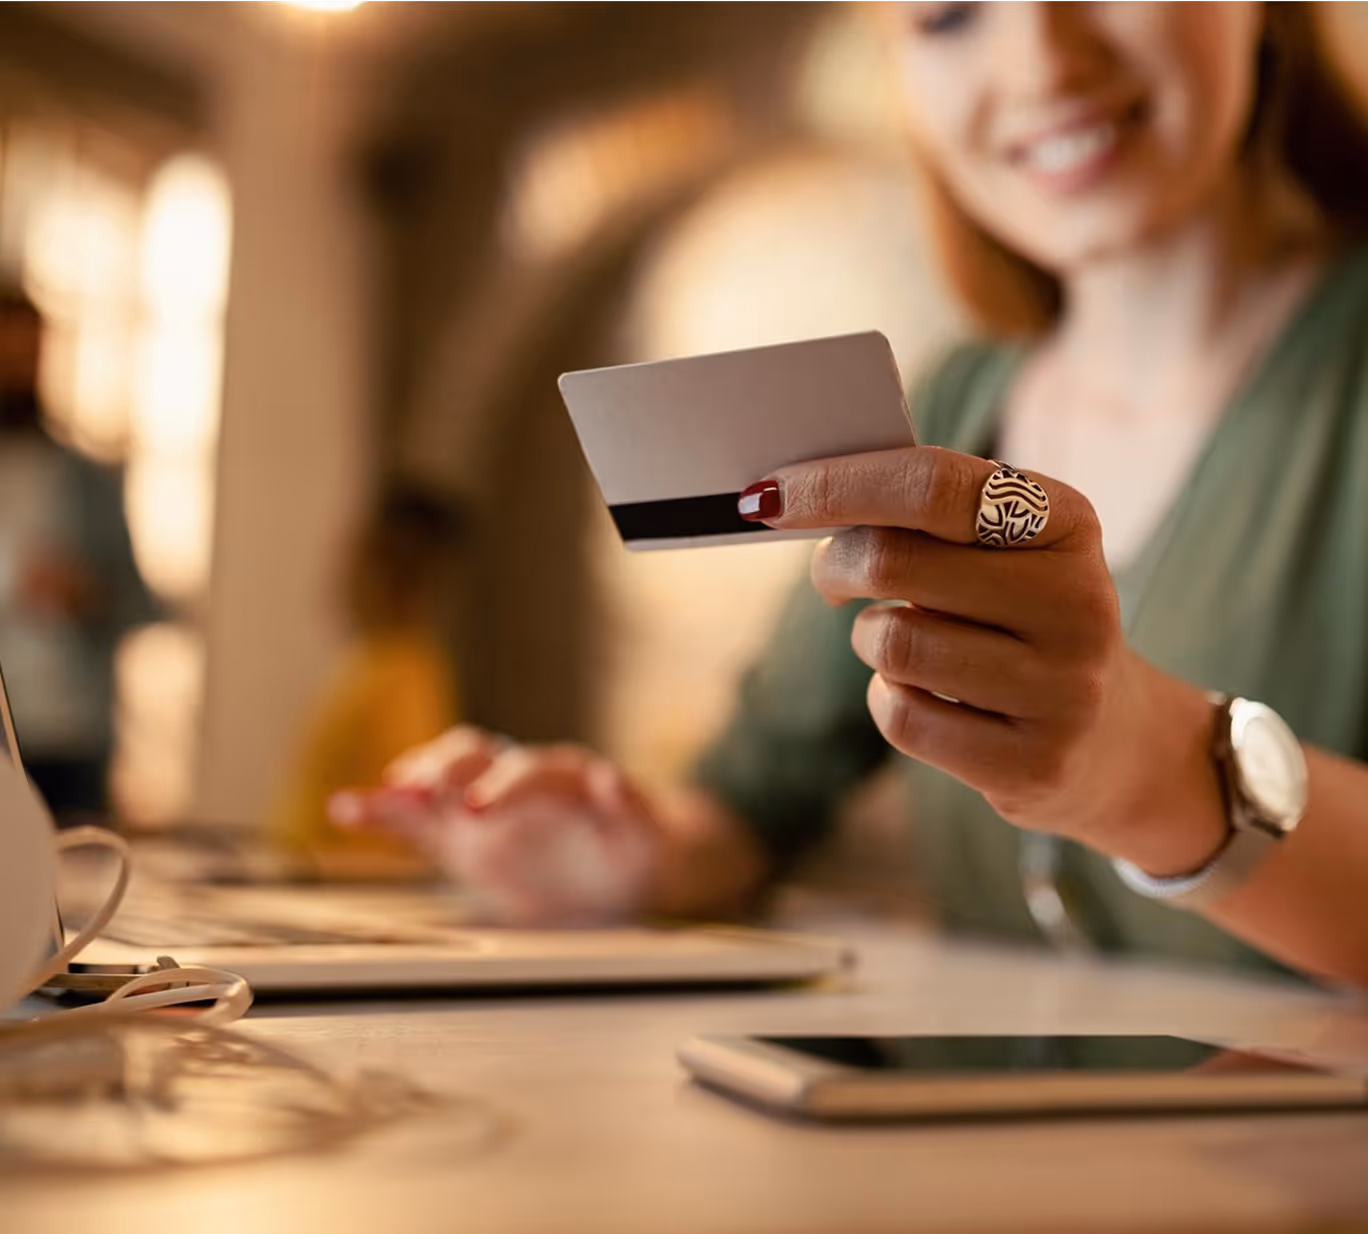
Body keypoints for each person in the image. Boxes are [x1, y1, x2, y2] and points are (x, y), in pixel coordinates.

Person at [340, 1, 1368, 987]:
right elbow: (748, 807)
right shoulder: (955, 406)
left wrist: (1146, 766)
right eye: (947, 14)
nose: (1044, 63)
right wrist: (624, 855)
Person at [0, 287, 158, 822]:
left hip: (67, 739)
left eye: (30, 355)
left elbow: (142, 603)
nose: (19, 371)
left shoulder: (86, 479)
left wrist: (87, 596)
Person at [273, 481, 464, 878]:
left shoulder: (406, 676)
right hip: (306, 881)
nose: (343, 571)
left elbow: (403, 833)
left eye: (358, 555)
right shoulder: (371, 661)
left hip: (338, 893)